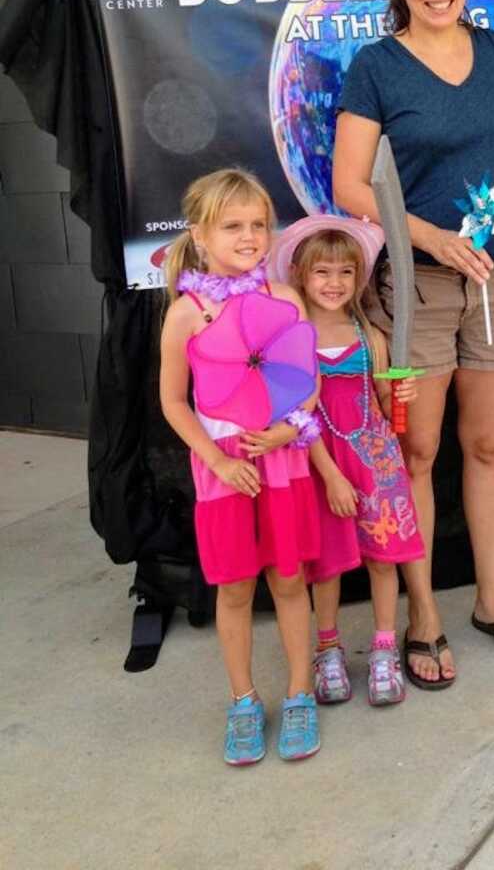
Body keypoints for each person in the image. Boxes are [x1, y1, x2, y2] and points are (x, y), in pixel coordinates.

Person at [333, 0, 494, 688]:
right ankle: (423, 614)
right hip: (418, 287)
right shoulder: (377, 66)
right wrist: (428, 238)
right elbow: (349, 185)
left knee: (489, 447)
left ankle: (490, 600)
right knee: (417, 453)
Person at [159, 168, 325, 765]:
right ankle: (244, 700)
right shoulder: (188, 312)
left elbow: (304, 383)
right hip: (223, 471)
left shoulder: (284, 298)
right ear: (201, 235)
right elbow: (174, 401)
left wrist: (288, 427)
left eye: (259, 225)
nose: (250, 237)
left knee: (288, 579)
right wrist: (217, 463)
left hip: (280, 462)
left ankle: (300, 692)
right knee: (234, 588)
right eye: (233, 226)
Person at [270, 214, 424, 707]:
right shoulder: (292, 340)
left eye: (345, 273)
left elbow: (382, 401)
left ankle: (383, 646)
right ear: (300, 276)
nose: (334, 283)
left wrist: (401, 392)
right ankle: (328, 646)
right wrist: (331, 475)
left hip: (373, 456)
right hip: (320, 463)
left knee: (383, 556)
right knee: (328, 562)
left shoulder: (370, 334)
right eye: (322, 272)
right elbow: (297, 415)